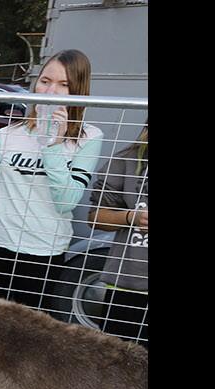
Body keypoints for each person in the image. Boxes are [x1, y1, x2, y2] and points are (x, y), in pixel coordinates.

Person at [0, 49, 104, 311]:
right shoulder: (4, 136)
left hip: (44, 254)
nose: (50, 92)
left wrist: (54, 146)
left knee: (29, 342)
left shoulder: (90, 137)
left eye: (63, 85)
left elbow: (66, 202)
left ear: (78, 90)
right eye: (45, 81)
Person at [88, 122, 148, 346]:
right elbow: (95, 217)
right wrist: (131, 217)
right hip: (129, 283)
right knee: (122, 368)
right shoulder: (128, 157)